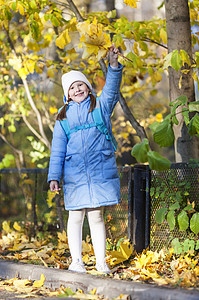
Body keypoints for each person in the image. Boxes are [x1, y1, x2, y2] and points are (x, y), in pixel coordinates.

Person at [47, 45, 123, 273]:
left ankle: (101, 262)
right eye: (72, 88)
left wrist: (113, 65)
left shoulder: (100, 105)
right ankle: (76, 262)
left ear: (87, 86)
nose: (77, 89)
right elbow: (57, 149)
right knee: (76, 216)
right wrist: (54, 177)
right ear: (67, 94)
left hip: (100, 170)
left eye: (80, 84)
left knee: (97, 216)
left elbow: (111, 88)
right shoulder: (62, 117)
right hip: (75, 174)